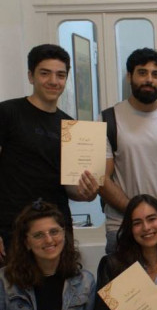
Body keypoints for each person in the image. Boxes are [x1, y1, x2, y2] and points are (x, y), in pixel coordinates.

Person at [0, 44, 98, 261]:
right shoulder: (7, 113)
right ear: (31, 76)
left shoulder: (70, 126)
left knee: (59, 283)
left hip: (56, 229)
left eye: (60, 75)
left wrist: (87, 192)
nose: (54, 81)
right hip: (13, 228)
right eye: (45, 73)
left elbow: (70, 188)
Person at [99, 48, 157, 254]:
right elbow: (102, 179)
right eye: (142, 73)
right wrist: (138, 214)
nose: (149, 79)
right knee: (125, 277)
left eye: (156, 74)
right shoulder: (108, 119)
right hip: (122, 227)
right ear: (129, 76)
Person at [0, 200, 96, 310]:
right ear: (26, 242)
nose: (49, 240)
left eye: (54, 231)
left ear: (64, 234)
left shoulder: (85, 282)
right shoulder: (5, 279)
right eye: (38, 235)